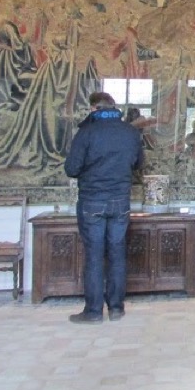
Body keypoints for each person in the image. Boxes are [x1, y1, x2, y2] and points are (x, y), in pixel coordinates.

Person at [65, 92, 144, 324]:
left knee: (94, 255)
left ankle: (93, 311)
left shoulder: (87, 132)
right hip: (120, 200)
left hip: (92, 201)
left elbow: (71, 168)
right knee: (117, 253)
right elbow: (139, 164)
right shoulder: (130, 132)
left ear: (93, 108)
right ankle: (117, 308)